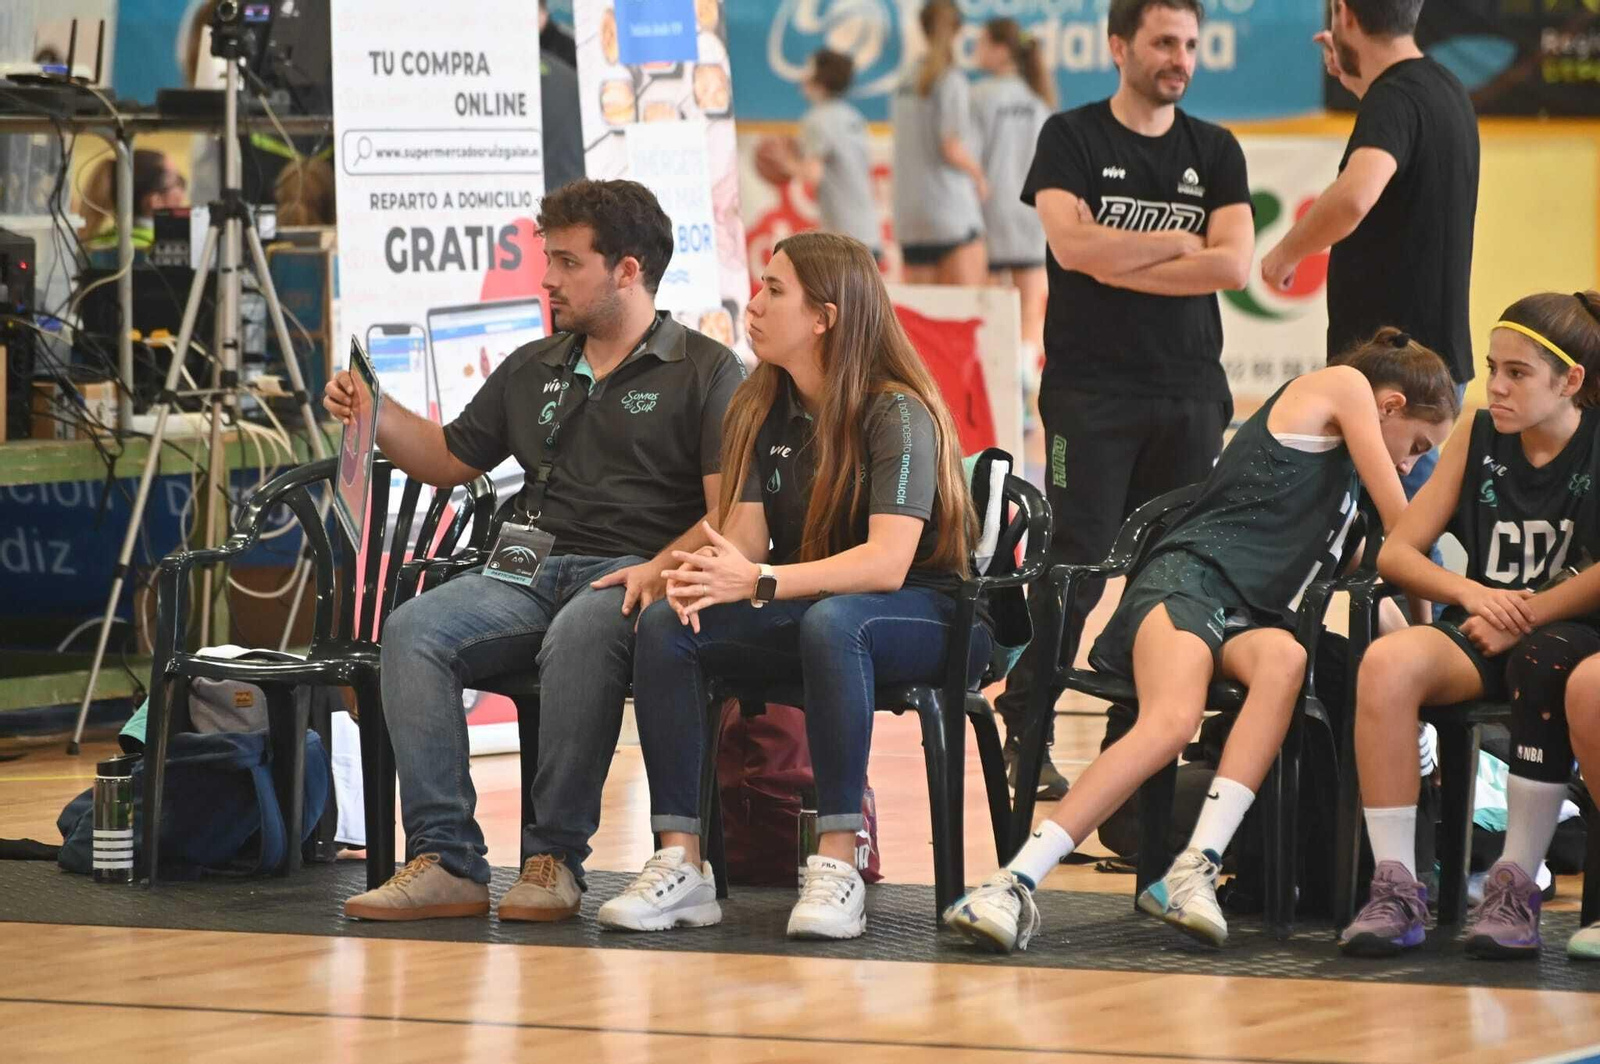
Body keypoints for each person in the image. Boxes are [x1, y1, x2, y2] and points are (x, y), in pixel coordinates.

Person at [945, 332, 1460, 953]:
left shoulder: (1344, 496)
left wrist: (1423, 660)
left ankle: (1196, 868)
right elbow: (1408, 536)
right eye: (1418, 447)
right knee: (1172, 720)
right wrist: (1444, 585)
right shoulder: (1343, 386)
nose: (1410, 464)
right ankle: (1013, 883)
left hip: (1247, 618)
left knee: (1287, 657)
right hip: (1187, 582)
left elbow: (1385, 589)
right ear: (1391, 406)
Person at [330, 180, 747, 922]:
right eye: (546, 259)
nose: (548, 279)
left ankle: (554, 858)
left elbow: (727, 514)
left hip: (629, 576)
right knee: (414, 630)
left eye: (566, 262)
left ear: (627, 269)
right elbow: (451, 457)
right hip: (523, 567)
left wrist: (657, 568)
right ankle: (446, 858)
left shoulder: (708, 371)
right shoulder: (534, 364)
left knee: (579, 638)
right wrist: (377, 411)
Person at [593, 232, 988, 940]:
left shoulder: (896, 409)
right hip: (815, 605)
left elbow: (887, 564)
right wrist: (698, 577)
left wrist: (762, 580)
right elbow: (742, 543)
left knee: (835, 623)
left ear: (824, 317)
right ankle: (682, 862)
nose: (753, 304)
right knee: (670, 624)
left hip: (929, 613)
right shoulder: (757, 403)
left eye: (775, 291)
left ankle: (837, 860)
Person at [991, 0, 1254, 801]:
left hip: (1189, 394)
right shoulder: (1070, 137)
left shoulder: (1214, 148)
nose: (1180, 57)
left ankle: (1134, 751)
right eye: (1164, 42)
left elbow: (1233, 266)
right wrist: (1180, 242)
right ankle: (1028, 726)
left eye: (1191, 45)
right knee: (1076, 563)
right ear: (1119, 46)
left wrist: (1120, 258)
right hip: (1088, 395)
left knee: (1171, 572)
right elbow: (1071, 247)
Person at [1341, 292, 1600, 958]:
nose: (1498, 386)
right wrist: (1478, 596)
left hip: (1574, 635)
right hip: (1490, 627)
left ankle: (1515, 886)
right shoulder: (1480, 433)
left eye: (1518, 373)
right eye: (1492, 367)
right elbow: (1399, 551)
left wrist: (1530, 612)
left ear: (1570, 381)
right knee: (1386, 663)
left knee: (1543, 660)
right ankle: (1396, 887)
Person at [1260, 0, 1479, 506]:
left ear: (1342, 13)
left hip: (1397, 379)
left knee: (1395, 541)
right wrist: (1360, 84)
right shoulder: (1443, 89)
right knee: (1399, 535)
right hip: (1429, 366)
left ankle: (1440, 592)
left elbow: (1357, 194)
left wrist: (1286, 254)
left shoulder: (1395, 98)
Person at [972, 18, 1054, 369]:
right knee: (1029, 311)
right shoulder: (1040, 98)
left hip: (990, 212)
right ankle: (1021, 386)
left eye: (981, 43)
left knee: (986, 306)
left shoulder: (979, 96)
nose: (975, 51)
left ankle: (994, 383)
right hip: (1032, 212)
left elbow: (971, 161)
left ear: (1000, 49)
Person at [891, 0, 987, 285]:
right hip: (950, 213)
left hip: (910, 217)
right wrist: (978, 175)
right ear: (958, 32)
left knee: (923, 323)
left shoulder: (903, 79)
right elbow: (951, 147)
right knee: (966, 314)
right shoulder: (951, 79)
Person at [764, 49, 881, 258]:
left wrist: (783, 162)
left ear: (820, 77)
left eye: (808, 69)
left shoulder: (817, 119)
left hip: (844, 237)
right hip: (869, 231)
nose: (802, 75)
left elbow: (813, 174)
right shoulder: (853, 116)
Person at [76, 149, 188, 250]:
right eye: (179, 182)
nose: (184, 191)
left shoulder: (93, 245)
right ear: (156, 201)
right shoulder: (169, 248)